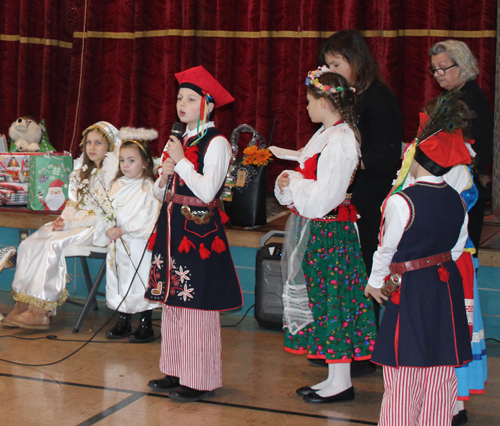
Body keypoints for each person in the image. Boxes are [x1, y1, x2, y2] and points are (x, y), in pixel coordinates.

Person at [365, 95, 473, 424]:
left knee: (403, 373)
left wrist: (373, 283)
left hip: (409, 289)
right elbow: (457, 247)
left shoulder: (402, 202)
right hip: (445, 288)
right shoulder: (456, 199)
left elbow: (386, 249)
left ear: (418, 155)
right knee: (441, 373)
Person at [275, 67, 377, 404]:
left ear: (323, 101)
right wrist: (291, 180)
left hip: (332, 232)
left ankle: (341, 381)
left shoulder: (342, 140)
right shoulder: (326, 134)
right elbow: (308, 172)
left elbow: (326, 197)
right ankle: (335, 376)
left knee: (335, 302)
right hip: (320, 231)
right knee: (325, 302)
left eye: (308, 100)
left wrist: (297, 184)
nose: (305, 107)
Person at [144, 66, 242, 402]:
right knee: (173, 301)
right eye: (179, 99)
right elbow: (160, 193)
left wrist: (182, 162)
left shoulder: (217, 143)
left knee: (196, 305)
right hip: (172, 229)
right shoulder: (179, 141)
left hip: (198, 234)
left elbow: (207, 190)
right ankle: (174, 369)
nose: (181, 105)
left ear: (209, 105)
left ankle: (200, 378)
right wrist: (164, 175)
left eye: (190, 99)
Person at [1, 121, 120, 330]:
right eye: (88, 142)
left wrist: (70, 223)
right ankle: (23, 303)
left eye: (99, 143)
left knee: (52, 245)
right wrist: (62, 220)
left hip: (97, 228)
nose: (92, 147)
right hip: (75, 224)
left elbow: (105, 214)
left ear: (110, 147)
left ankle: (41, 311)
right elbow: (72, 205)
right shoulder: (79, 173)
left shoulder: (113, 178)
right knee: (30, 243)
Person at [93, 128, 161, 343]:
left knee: (139, 281)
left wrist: (125, 228)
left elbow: (148, 216)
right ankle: (123, 318)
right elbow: (104, 211)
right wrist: (108, 228)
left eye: (131, 160)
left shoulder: (149, 188)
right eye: (122, 160)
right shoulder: (114, 185)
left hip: (138, 244)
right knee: (119, 280)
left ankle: (145, 322)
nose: (125, 165)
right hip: (117, 245)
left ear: (145, 162)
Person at [429, 39, 494, 255]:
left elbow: (480, 149)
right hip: (448, 185)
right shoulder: (449, 97)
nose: (438, 73)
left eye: (443, 68)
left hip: (466, 188)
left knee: (463, 255)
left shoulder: (472, 99)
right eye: (434, 69)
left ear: (462, 65)